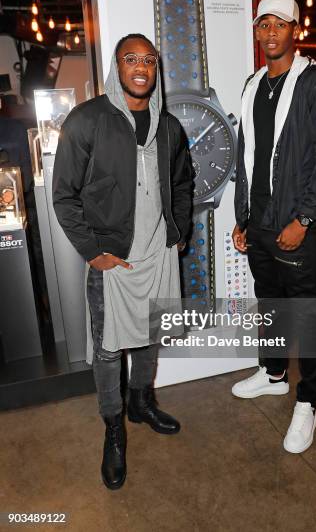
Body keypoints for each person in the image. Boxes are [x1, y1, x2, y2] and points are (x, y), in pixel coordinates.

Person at [53, 33, 192, 489]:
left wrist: (178, 233)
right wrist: (94, 252)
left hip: (158, 253)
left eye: (149, 60)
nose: (141, 67)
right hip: (113, 259)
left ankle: (140, 403)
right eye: (131, 58)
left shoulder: (169, 126)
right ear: (117, 66)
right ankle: (114, 429)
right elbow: (64, 196)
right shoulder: (86, 120)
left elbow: (184, 183)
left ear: (157, 69)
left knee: (151, 335)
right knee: (109, 349)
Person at [231, 0, 316, 453]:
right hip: (259, 224)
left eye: (280, 24)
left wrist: (305, 218)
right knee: (269, 302)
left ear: (295, 30)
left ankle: (308, 402)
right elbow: (247, 157)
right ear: (256, 31)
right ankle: (274, 373)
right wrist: (242, 217)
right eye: (263, 24)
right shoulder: (253, 83)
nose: (271, 32)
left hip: (297, 225)